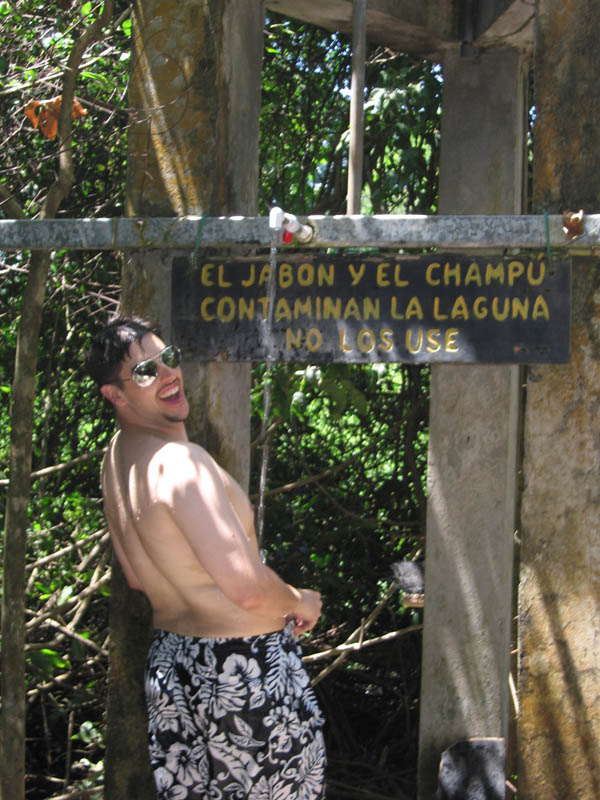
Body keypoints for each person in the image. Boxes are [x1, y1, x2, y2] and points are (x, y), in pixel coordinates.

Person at [86, 316, 326, 799]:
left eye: (168, 358)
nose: (170, 374)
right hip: (243, 673)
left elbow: (136, 578)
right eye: (146, 372)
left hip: (173, 668)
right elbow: (247, 588)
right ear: (115, 395)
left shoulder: (116, 460)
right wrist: (301, 601)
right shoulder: (182, 464)